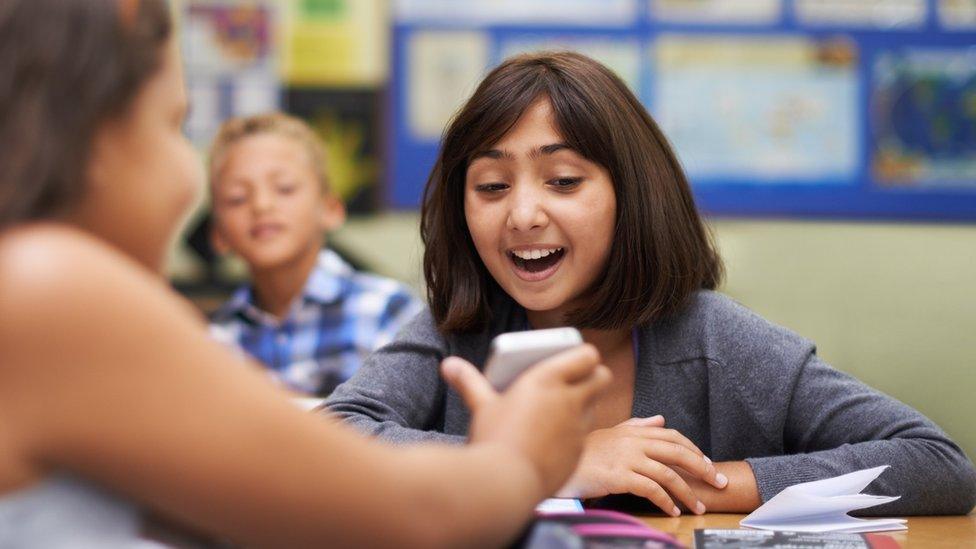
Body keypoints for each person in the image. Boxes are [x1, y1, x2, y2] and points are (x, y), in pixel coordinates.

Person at [0, 1, 611, 547]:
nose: (188, 175)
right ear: (87, 129)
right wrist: (524, 455)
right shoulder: (42, 284)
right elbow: (411, 513)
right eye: (171, 126)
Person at [325, 51, 976, 517]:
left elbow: (938, 466)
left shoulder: (717, 339)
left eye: (563, 180)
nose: (522, 213)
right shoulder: (455, 332)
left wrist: (703, 482)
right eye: (492, 186)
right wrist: (557, 462)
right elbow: (336, 435)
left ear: (630, 196)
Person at [207, 112, 424, 397]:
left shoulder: (387, 311)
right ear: (218, 235)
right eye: (237, 198)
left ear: (331, 210)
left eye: (284, 188)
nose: (261, 205)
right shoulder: (213, 342)